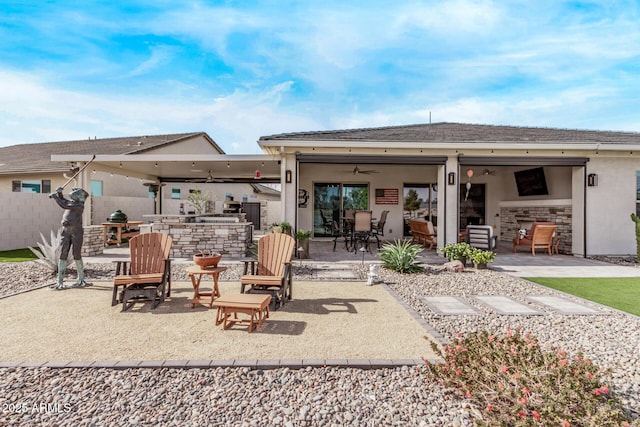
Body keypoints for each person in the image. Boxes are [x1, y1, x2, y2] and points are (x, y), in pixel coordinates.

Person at [49, 186, 90, 290]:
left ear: (81, 196)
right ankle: (60, 281)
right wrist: (59, 194)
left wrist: (55, 197)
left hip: (76, 231)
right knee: (63, 253)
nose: (73, 192)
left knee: (76, 254)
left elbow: (63, 204)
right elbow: (65, 201)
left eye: (76, 191)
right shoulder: (72, 203)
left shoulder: (79, 205)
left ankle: (81, 279)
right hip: (66, 230)